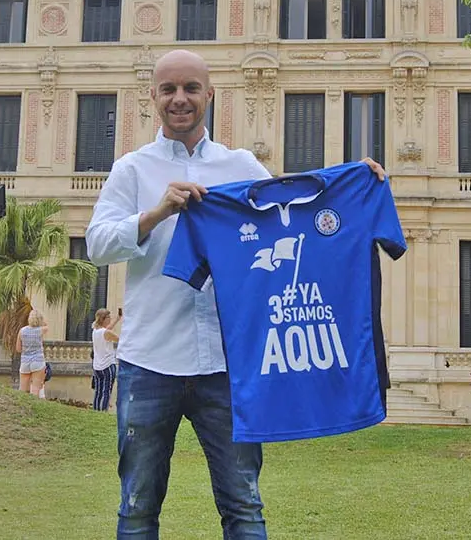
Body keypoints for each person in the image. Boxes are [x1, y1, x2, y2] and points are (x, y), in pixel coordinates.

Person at [86, 48, 386, 538]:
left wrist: (354, 185)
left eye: (190, 89)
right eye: (169, 90)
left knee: (244, 504)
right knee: (136, 506)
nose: (179, 99)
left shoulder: (241, 165)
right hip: (150, 362)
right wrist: (157, 213)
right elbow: (97, 244)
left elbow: (294, 217)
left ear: (210, 95)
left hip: (229, 366)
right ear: (153, 98)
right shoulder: (132, 170)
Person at [91, 307, 123, 411]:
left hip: (97, 367)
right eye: (108, 317)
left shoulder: (95, 330)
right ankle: (103, 411)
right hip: (108, 365)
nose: (110, 319)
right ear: (103, 319)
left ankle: (96, 410)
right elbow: (120, 338)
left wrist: (118, 318)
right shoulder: (106, 333)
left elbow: (108, 328)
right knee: (106, 391)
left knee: (98, 391)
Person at [16, 309, 48, 397]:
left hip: (25, 361)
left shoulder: (22, 331)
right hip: (38, 360)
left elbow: (18, 349)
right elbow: (46, 325)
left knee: (22, 389)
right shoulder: (41, 330)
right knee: (35, 388)